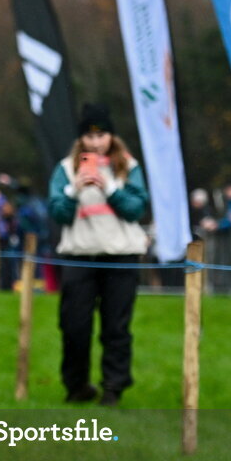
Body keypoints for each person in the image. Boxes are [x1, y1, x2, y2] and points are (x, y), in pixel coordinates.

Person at [47, 103, 149, 406]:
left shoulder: (128, 167)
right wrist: (73, 191)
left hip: (121, 257)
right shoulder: (66, 169)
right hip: (80, 257)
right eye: (89, 137)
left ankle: (113, 388)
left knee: (116, 327)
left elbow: (136, 209)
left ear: (111, 137)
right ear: (81, 139)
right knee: (74, 325)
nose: (95, 142)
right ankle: (77, 386)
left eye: (102, 135)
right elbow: (58, 213)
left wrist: (112, 188)